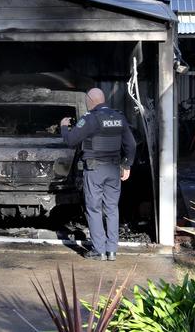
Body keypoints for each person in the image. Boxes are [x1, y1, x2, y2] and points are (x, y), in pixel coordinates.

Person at [60, 88, 136, 261]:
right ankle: (111, 251)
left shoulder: (90, 118)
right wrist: (127, 165)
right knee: (111, 208)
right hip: (114, 170)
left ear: (90, 100)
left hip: (95, 170)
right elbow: (131, 145)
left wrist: (64, 127)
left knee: (94, 209)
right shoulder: (119, 117)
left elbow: (71, 140)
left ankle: (98, 250)